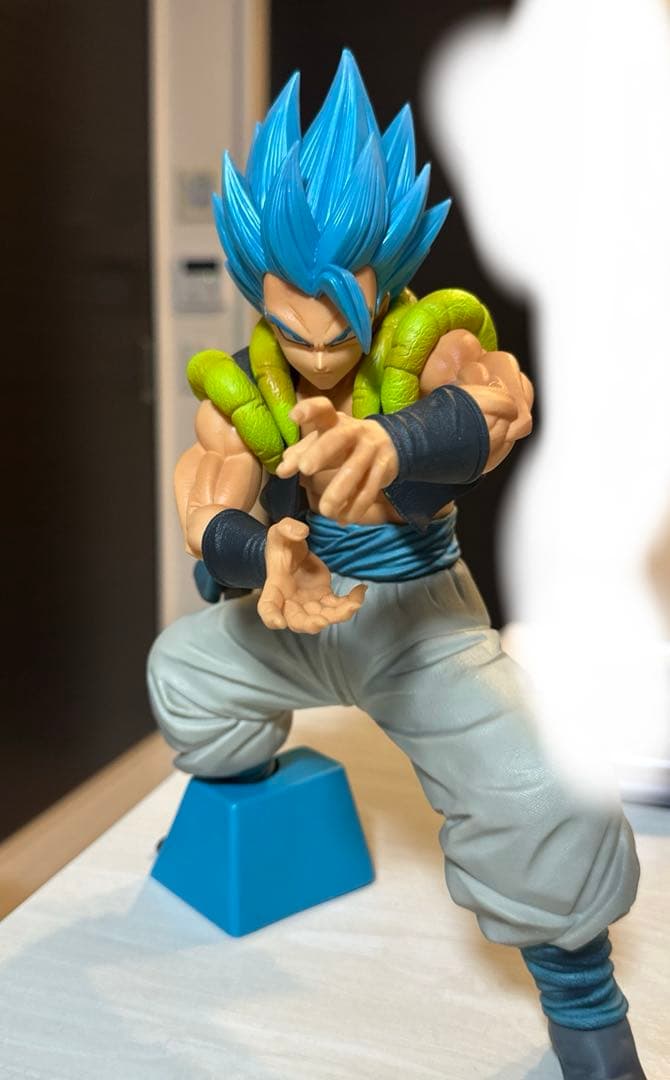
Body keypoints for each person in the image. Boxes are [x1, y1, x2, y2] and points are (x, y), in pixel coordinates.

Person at [148, 50, 645, 1080]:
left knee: (542, 793)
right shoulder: (240, 386)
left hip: (423, 625)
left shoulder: (428, 347)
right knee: (184, 676)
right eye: (294, 327)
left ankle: (584, 1009)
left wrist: (396, 440)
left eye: (341, 324)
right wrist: (261, 551)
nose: (317, 352)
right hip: (301, 610)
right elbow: (204, 499)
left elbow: (502, 406)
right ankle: (254, 812)